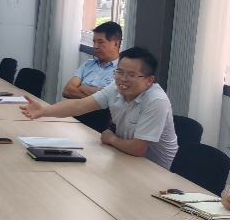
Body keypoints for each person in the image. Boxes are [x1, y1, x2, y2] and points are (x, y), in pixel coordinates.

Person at [21, 46, 178, 169]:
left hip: (156, 170)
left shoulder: (156, 101)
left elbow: (137, 149)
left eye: (131, 75)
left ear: (149, 80)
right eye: (119, 72)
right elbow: (78, 105)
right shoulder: (115, 88)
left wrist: (111, 138)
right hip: (124, 158)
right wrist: (43, 111)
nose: (123, 79)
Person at [62, 21, 122, 99]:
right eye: (94, 42)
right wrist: (99, 97)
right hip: (73, 106)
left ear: (115, 44)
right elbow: (67, 91)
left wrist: (83, 88)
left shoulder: (122, 70)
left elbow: (112, 98)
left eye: (100, 42)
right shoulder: (88, 64)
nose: (95, 46)